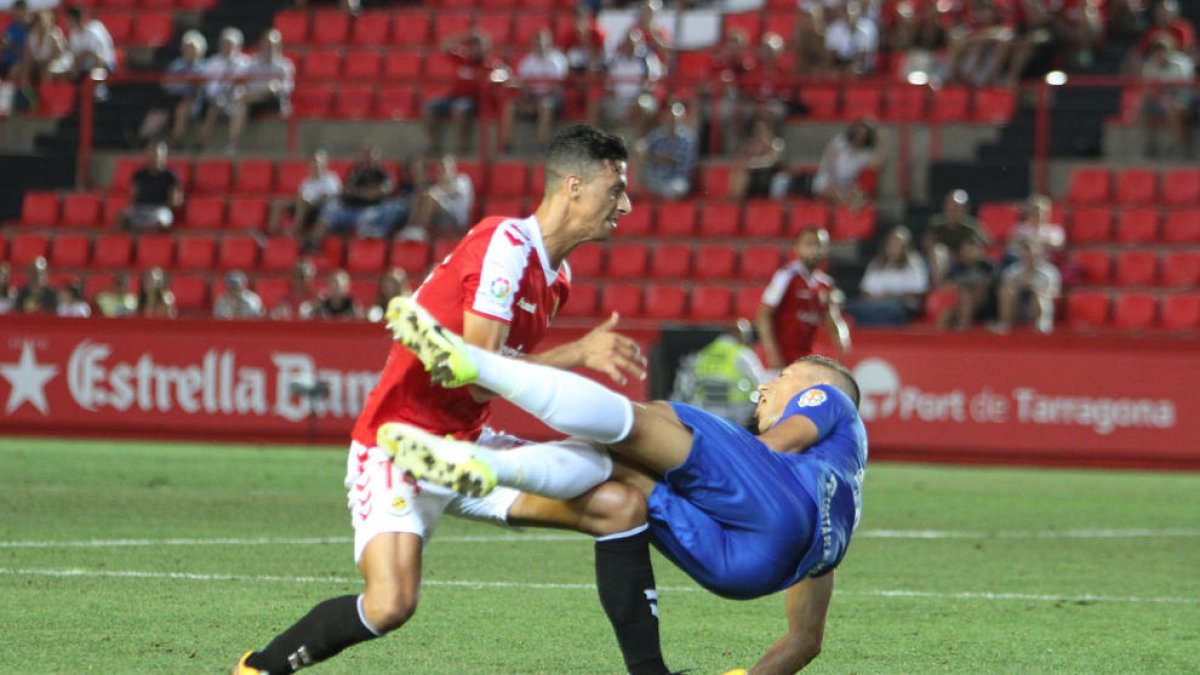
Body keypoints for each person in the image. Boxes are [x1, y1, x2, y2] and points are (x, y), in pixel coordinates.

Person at [234, 125, 678, 675]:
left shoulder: (555, 278)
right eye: (616, 189)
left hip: (467, 448)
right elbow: (476, 376)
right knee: (389, 605)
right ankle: (258, 668)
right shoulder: (505, 246)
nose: (627, 205)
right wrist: (576, 355)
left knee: (620, 507)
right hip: (399, 444)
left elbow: (493, 381)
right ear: (573, 186)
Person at [382, 297, 867, 674]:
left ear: (812, 390)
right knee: (621, 478)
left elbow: (775, 447)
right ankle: (467, 474)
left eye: (782, 377)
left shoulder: (830, 400)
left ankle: (479, 373)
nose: (764, 386)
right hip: (743, 573)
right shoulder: (839, 505)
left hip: (775, 507)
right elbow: (805, 641)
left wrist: (721, 450)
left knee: (654, 419)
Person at [756, 227, 851, 371]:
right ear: (797, 248)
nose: (814, 250)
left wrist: (843, 339)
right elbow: (764, 315)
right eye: (808, 244)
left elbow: (832, 318)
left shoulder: (825, 284)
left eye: (819, 245)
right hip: (782, 358)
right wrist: (772, 353)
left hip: (805, 359)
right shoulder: (786, 276)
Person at [421, 30, 507, 154]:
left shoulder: (491, 65)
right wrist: (464, 37)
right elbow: (444, 46)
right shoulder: (463, 59)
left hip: (473, 101)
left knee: (459, 109)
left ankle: (462, 146)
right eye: (473, 45)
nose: (475, 48)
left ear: (486, 48)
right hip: (453, 97)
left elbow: (504, 74)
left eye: (479, 45)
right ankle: (432, 145)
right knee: (428, 107)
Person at [670, 318, 767, 428]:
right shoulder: (742, 354)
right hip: (735, 414)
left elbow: (687, 384)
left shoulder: (705, 352)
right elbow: (761, 383)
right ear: (740, 334)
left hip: (706, 411)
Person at [311, 146, 407, 242]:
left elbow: (378, 192)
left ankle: (360, 248)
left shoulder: (382, 174)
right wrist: (359, 193)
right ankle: (313, 243)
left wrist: (358, 192)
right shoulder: (355, 172)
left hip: (371, 210)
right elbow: (346, 191)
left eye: (369, 158)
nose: (366, 161)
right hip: (349, 208)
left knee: (373, 215)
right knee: (330, 210)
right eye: (364, 157)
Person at [225, 28, 294, 154]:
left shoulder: (284, 65)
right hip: (253, 101)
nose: (269, 46)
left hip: (274, 101)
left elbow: (285, 88)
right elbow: (242, 84)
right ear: (262, 44)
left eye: (273, 44)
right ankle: (232, 142)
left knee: (272, 87)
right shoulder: (252, 64)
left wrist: (267, 90)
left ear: (278, 45)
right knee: (242, 103)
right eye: (267, 43)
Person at [501, 29, 568, 153]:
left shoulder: (558, 60)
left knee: (545, 105)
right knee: (511, 106)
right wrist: (526, 99)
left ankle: (541, 145)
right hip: (532, 97)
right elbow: (524, 86)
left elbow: (556, 87)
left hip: (552, 98)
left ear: (549, 43)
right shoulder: (528, 61)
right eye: (536, 43)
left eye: (541, 43)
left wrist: (538, 99)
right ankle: (507, 145)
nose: (539, 46)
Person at [138, 30, 208, 147]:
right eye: (187, 47)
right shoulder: (176, 64)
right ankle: (143, 137)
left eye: (192, 48)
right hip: (171, 97)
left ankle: (176, 141)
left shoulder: (204, 67)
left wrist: (185, 82)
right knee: (158, 109)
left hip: (191, 99)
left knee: (181, 108)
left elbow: (201, 86)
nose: (189, 50)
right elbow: (165, 83)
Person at [196, 27, 252, 152]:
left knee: (240, 109)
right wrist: (216, 96)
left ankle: (232, 143)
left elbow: (246, 85)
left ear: (238, 46)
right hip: (215, 99)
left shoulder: (246, 63)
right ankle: (201, 142)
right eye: (224, 44)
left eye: (230, 44)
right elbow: (206, 83)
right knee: (213, 109)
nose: (227, 47)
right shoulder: (213, 62)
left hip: (236, 100)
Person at [991, 236, 1061, 334]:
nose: (1029, 258)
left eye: (1032, 255)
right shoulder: (1013, 270)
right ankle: (1005, 323)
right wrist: (1019, 285)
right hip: (1018, 304)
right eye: (1026, 255)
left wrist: (1035, 290)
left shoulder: (1050, 272)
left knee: (1038, 296)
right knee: (1005, 293)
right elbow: (1006, 286)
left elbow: (1054, 292)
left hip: (1039, 303)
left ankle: (1040, 324)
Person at [634, 100, 698, 200]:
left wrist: (653, 157)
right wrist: (643, 150)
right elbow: (642, 147)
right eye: (669, 119)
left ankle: (670, 214)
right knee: (637, 155)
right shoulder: (659, 135)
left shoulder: (687, 139)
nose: (671, 122)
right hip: (657, 179)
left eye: (674, 119)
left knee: (675, 190)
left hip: (676, 180)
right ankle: (636, 193)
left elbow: (677, 161)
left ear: (681, 120)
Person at [924, 188, 989, 286]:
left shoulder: (972, 226)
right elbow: (927, 245)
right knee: (939, 251)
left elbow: (985, 244)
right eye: (952, 207)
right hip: (942, 263)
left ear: (965, 209)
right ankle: (939, 286)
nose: (954, 211)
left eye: (958, 208)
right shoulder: (936, 224)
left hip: (965, 262)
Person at [810, 119, 880, 206]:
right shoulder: (839, 142)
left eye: (864, 134)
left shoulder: (866, 155)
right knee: (840, 197)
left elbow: (877, 164)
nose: (860, 136)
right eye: (858, 132)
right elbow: (829, 164)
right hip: (828, 181)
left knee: (859, 198)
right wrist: (835, 185)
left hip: (848, 186)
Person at [271, 149, 341, 235]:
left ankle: (295, 229)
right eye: (313, 163)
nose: (314, 165)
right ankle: (273, 232)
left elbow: (330, 196)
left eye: (317, 163)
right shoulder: (307, 181)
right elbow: (300, 195)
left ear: (324, 164)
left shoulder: (331, 178)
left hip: (321, 209)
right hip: (304, 206)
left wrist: (310, 200)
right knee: (279, 203)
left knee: (302, 201)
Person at [120, 142, 184, 231]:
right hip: (140, 209)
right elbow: (133, 196)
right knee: (123, 218)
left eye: (158, 155)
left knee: (162, 222)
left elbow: (175, 201)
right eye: (152, 155)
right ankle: (128, 243)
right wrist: (137, 208)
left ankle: (156, 244)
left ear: (164, 157)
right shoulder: (139, 174)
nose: (155, 158)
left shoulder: (170, 176)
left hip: (160, 209)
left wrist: (157, 207)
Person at [407, 154, 474, 238]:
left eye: (446, 169)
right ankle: (410, 229)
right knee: (420, 197)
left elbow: (450, 190)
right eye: (441, 170)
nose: (444, 172)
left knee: (430, 198)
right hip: (441, 217)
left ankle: (419, 231)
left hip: (457, 221)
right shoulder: (440, 184)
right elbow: (430, 193)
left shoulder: (463, 180)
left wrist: (438, 189)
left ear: (454, 169)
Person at [64, 7, 115, 84]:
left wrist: (96, 78)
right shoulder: (73, 34)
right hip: (85, 66)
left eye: (70, 19)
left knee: (95, 77)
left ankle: (99, 91)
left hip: (104, 65)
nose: (68, 22)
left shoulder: (93, 33)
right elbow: (76, 56)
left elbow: (99, 59)